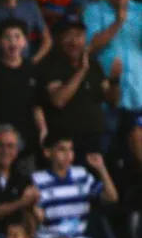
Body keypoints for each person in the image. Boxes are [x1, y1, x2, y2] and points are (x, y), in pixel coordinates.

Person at [31, 134, 130, 238]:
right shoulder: (37, 179)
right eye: (61, 150)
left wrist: (101, 168)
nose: (68, 155)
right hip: (50, 237)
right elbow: (34, 217)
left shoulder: (81, 174)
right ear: (47, 153)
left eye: (70, 150)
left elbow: (112, 197)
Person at [38, 16, 113, 158]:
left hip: (95, 138)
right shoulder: (50, 66)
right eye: (68, 36)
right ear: (58, 38)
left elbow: (111, 98)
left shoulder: (94, 65)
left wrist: (114, 81)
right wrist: (82, 70)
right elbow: (58, 100)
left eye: (78, 36)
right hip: (65, 143)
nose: (74, 42)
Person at [0, 19, 44, 157]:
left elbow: (37, 105)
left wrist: (43, 130)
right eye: (7, 37)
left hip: (26, 142)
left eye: (17, 37)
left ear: (25, 42)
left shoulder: (32, 69)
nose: (13, 43)